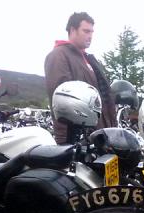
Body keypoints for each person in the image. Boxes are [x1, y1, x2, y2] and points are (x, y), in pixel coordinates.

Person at [44, 11, 116, 143]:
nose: (90, 36)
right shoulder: (58, 56)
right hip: (77, 138)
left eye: (92, 32)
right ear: (72, 30)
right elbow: (62, 101)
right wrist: (75, 139)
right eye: (86, 31)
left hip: (101, 134)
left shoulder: (88, 59)